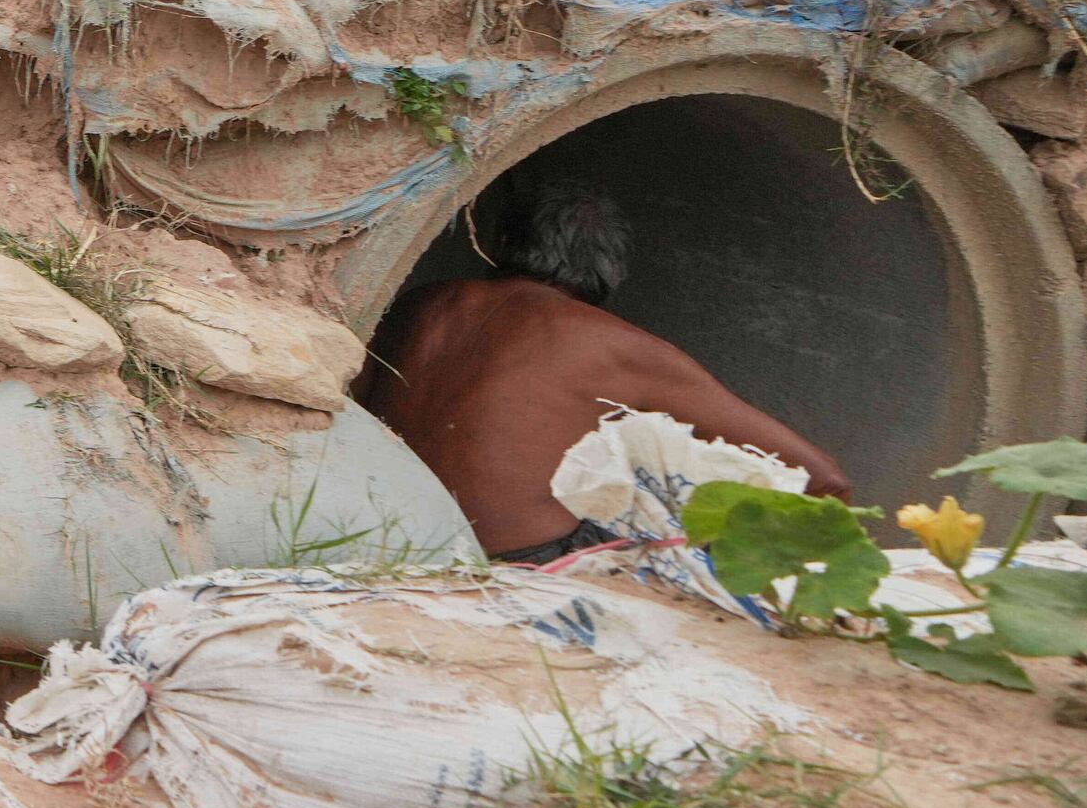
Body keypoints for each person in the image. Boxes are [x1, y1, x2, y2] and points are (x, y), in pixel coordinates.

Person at [360, 175, 850, 564]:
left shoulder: (419, 303)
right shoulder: (611, 343)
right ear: (612, 270)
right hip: (518, 562)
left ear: (498, 241)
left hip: (381, 535)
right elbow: (822, 479)